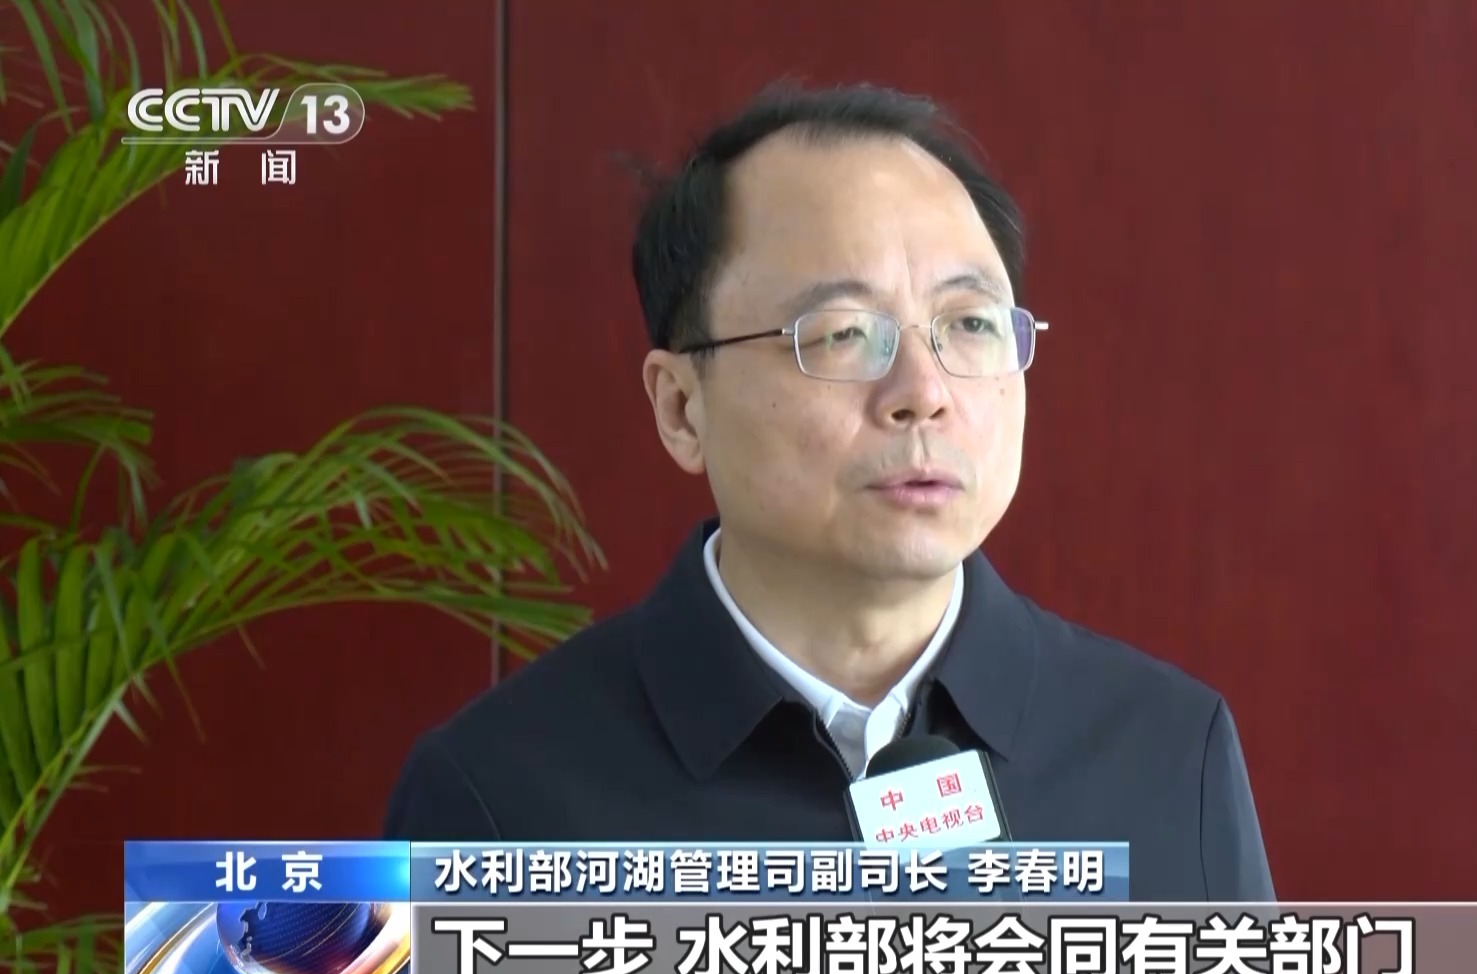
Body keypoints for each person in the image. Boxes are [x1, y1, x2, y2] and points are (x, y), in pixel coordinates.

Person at [383, 83, 1274, 902]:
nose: (924, 391)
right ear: (682, 407)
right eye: (844, 334)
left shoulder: (1168, 750)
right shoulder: (494, 795)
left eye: (969, 323)